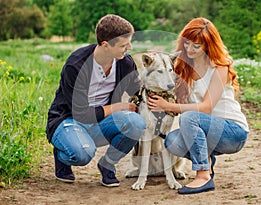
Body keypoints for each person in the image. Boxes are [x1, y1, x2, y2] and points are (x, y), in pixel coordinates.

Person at [147, 17, 249, 194]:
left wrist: (168, 106)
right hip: (205, 130)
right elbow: (163, 85)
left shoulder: (219, 67)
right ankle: (206, 158)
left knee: (190, 116)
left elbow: (206, 107)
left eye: (197, 46)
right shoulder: (183, 67)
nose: (189, 49)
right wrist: (154, 62)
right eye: (187, 43)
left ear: (209, 45)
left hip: (232, 132)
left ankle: (203, 175)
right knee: (172, 141)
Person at [46, 14, 146, 187]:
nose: (129, 47)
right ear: (105, 45)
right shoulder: (75, 65)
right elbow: (82, 114)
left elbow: (138, 92)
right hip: (69, 120)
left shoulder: (125, 63)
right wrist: (118, 107)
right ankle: (63, 155)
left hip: (99, 121)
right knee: (82, 154)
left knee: (136, 123)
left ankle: (107, 164)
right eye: (124, 45)